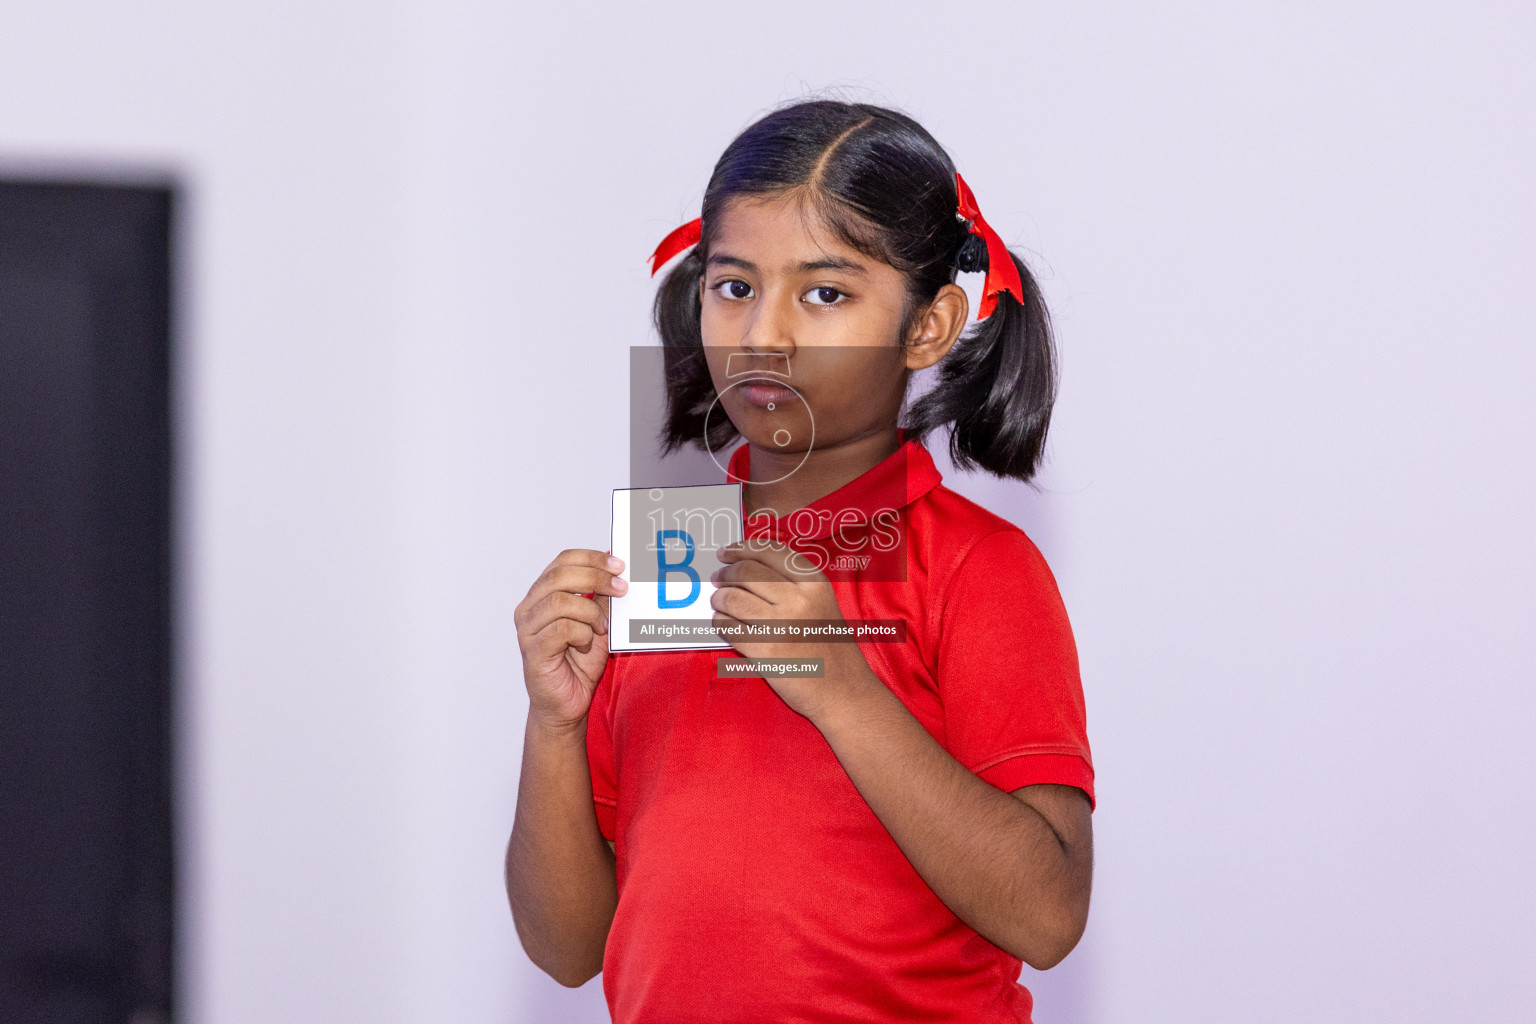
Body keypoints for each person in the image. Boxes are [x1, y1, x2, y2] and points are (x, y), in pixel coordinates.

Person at [505, 98, 1094, 1023]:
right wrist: (554, 723)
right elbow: (567, 948)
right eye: (734, 286)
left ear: (930, 326)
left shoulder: (980, 567)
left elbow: (1051, 915)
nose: (762, 335)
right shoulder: (673, 559)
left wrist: (843, 688)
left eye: (824, 293)